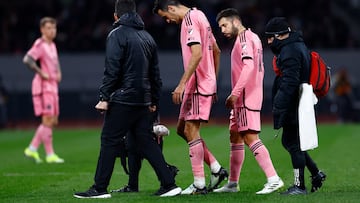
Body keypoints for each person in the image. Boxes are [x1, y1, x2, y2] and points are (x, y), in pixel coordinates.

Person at [73, 0, 181, 198]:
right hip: (144, 99)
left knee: (109, 140)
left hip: (123, 98)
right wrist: (154, 101)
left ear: (116, 16)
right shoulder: (147, 37)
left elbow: (112, 69)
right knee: (146, 141)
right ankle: (169, 183)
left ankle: (99, 188)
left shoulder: (116, 34)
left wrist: (104, 96)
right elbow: (155, 75)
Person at [153, 0, 228, 195]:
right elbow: (216, 50)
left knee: (191, 129)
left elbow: (197, 54)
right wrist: (214, 81)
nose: (168, 21)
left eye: (165, 16)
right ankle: (216, 169)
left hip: (197, 83)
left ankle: (199, 184)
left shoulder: (189, 20)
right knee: (181, 130)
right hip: (204, 82)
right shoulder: (200, 15)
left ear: (170, 8)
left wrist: (182, 83)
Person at [212, 8, 284, 194]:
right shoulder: (253, 38)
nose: (223, 30)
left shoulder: (244, 38)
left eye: (224, 25)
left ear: (236, 21)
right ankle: (233, 184)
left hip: (244, 97)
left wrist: (235, 93)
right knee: (235, 136)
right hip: (248, 96)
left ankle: (273, 179)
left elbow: (249, 66)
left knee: (250, 137)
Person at [265, 17, 326, 195]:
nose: (269, 42)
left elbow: (290, 82)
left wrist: (279, 104)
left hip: (294, 102)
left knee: (292, 143)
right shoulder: (297, 45)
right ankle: (316, 173)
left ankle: (299, 186)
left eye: (270, 37)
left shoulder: (289, 50)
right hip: (300, 99)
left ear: (279, 35)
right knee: (290, 142)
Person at [23, 17, 64, 164]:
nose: (52, 31)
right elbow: (27, 59)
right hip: (43, 87)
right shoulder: (40, 44)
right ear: (42, 29)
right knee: (47, 120)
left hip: (53, 86)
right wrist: (41, 73)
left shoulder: (52, 45)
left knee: (53, 120)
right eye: (48, 28)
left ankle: (32, 149)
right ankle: (49, 154)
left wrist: (59, 72)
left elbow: (56, 61)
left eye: (54, 28)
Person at [111, 111, 179, 193]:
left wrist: (154, 126)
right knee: (132, 150)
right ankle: (132, 185)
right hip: (138, 125)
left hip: (146, 127)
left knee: (148, 152)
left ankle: (168, 179)